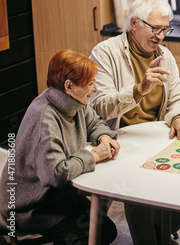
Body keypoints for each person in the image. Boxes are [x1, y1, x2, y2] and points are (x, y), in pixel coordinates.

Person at [90, 0, 180, 245]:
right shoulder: (105, 52)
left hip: (156, 137)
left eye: (165, 29)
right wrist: (139, 89)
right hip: (120, 139)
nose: (160, 35)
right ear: (134, 23)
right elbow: (100, 107)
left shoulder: (164, 55)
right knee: (135, 190)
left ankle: (158, 235)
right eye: (155, 28)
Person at [0, 50, 119, 244]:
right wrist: (93, 157)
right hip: (32, 207)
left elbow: (95, 123)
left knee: (105, 230)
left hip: (59, 197)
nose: (95, 88)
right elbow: (54, 174)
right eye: (90, 84)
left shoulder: (75, 102)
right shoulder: (44, 118)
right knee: (96, 236)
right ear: (69, 86)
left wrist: (104, 137)